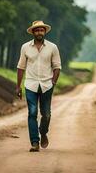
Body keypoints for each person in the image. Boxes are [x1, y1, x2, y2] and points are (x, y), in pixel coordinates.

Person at [16, 20, 62, 152]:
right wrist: (18, 86)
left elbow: (57, 67)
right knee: (32, 112)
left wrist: (53, 82)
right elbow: (20, 67)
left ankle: (43, 132)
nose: (39, 32)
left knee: (46, 114)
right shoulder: (25, 47)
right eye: (36, 30)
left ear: (45, 31)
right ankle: (34, 142)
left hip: (47, 85)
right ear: (33, 32)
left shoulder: (52, 47)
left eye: (41, 30)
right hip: (30, 84)